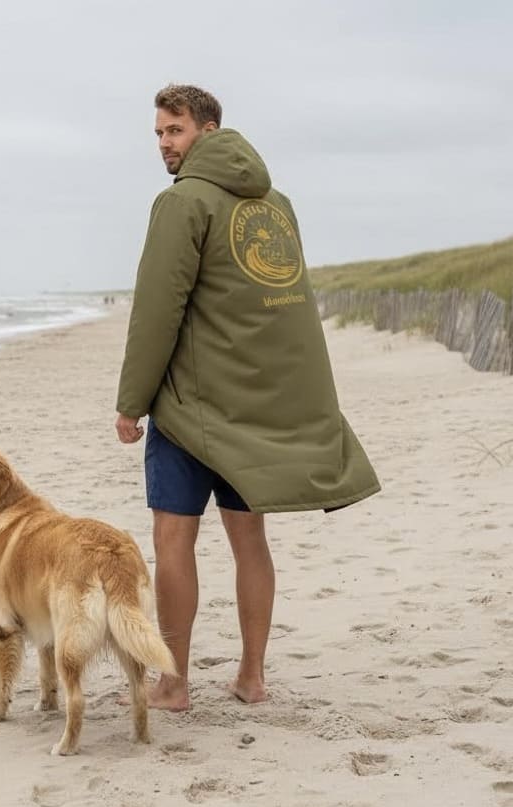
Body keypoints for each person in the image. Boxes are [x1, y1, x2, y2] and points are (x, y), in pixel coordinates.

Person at [115, 84, 380, 711]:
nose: (163, 145)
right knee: (249, 540)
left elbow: (157, 311)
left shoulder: (182, 203)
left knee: (173, 540)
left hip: (189, 411)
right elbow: (290, 314)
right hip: (256, 412)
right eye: (157, 133)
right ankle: (251, 678)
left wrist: (132, 402)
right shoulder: (275, 203)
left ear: (208, 130)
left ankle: (173, 683)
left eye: (174, 131)